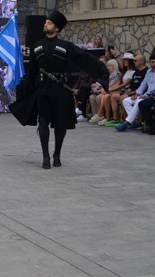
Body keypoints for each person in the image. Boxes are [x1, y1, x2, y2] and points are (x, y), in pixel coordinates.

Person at [13, 10, 108, 169]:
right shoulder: (37, 46)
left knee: (60, 124)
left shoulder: (66, 46)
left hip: (61, 89)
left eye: (49, 23)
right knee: (42, 122)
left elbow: (85, 59)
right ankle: (45, 157)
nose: (45, 24)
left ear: (57, 28)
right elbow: (31, 73)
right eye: (46, 22)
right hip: (43, 89)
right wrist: (26, 91)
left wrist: (102, 72)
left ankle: (57, 154)